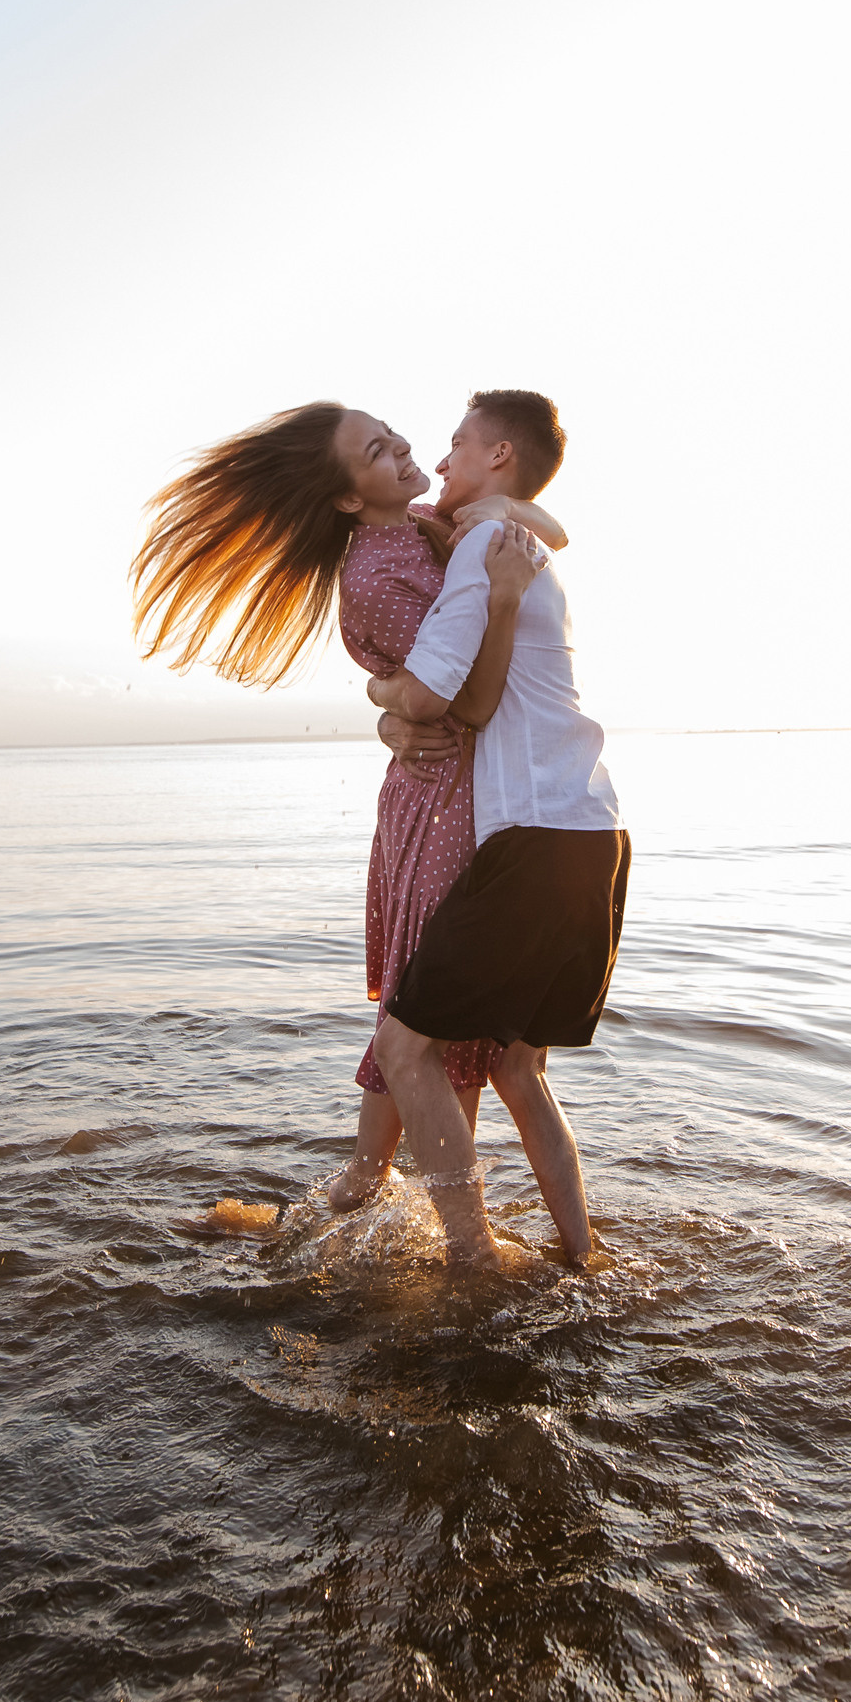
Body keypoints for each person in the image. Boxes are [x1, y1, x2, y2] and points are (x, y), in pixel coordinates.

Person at [130, 402, 565, 1198]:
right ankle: (424, 1214)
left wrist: (384, 702)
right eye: (377, 450)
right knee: (427, 1017)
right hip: (443, 799)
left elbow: (548, 528)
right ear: (347, 497)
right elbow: (454, 694)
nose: (404, 447)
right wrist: (391, 702)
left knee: (428, 1016)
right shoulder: (374, 576)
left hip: (471, 789)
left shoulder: (426, 526)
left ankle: (365, 1190)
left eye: (392, 434)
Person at [365, 391, 630, 1269]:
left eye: (456, 444)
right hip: (596, 836)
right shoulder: (513, 536)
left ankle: (471, 1264)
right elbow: (549, 525)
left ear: (501, 456)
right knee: (519, 1070)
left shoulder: (486, 546)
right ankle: (585, 1259)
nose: (441, 462)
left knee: (405, 1048)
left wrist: (380, 698)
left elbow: (435, 697)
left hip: (533, 843)